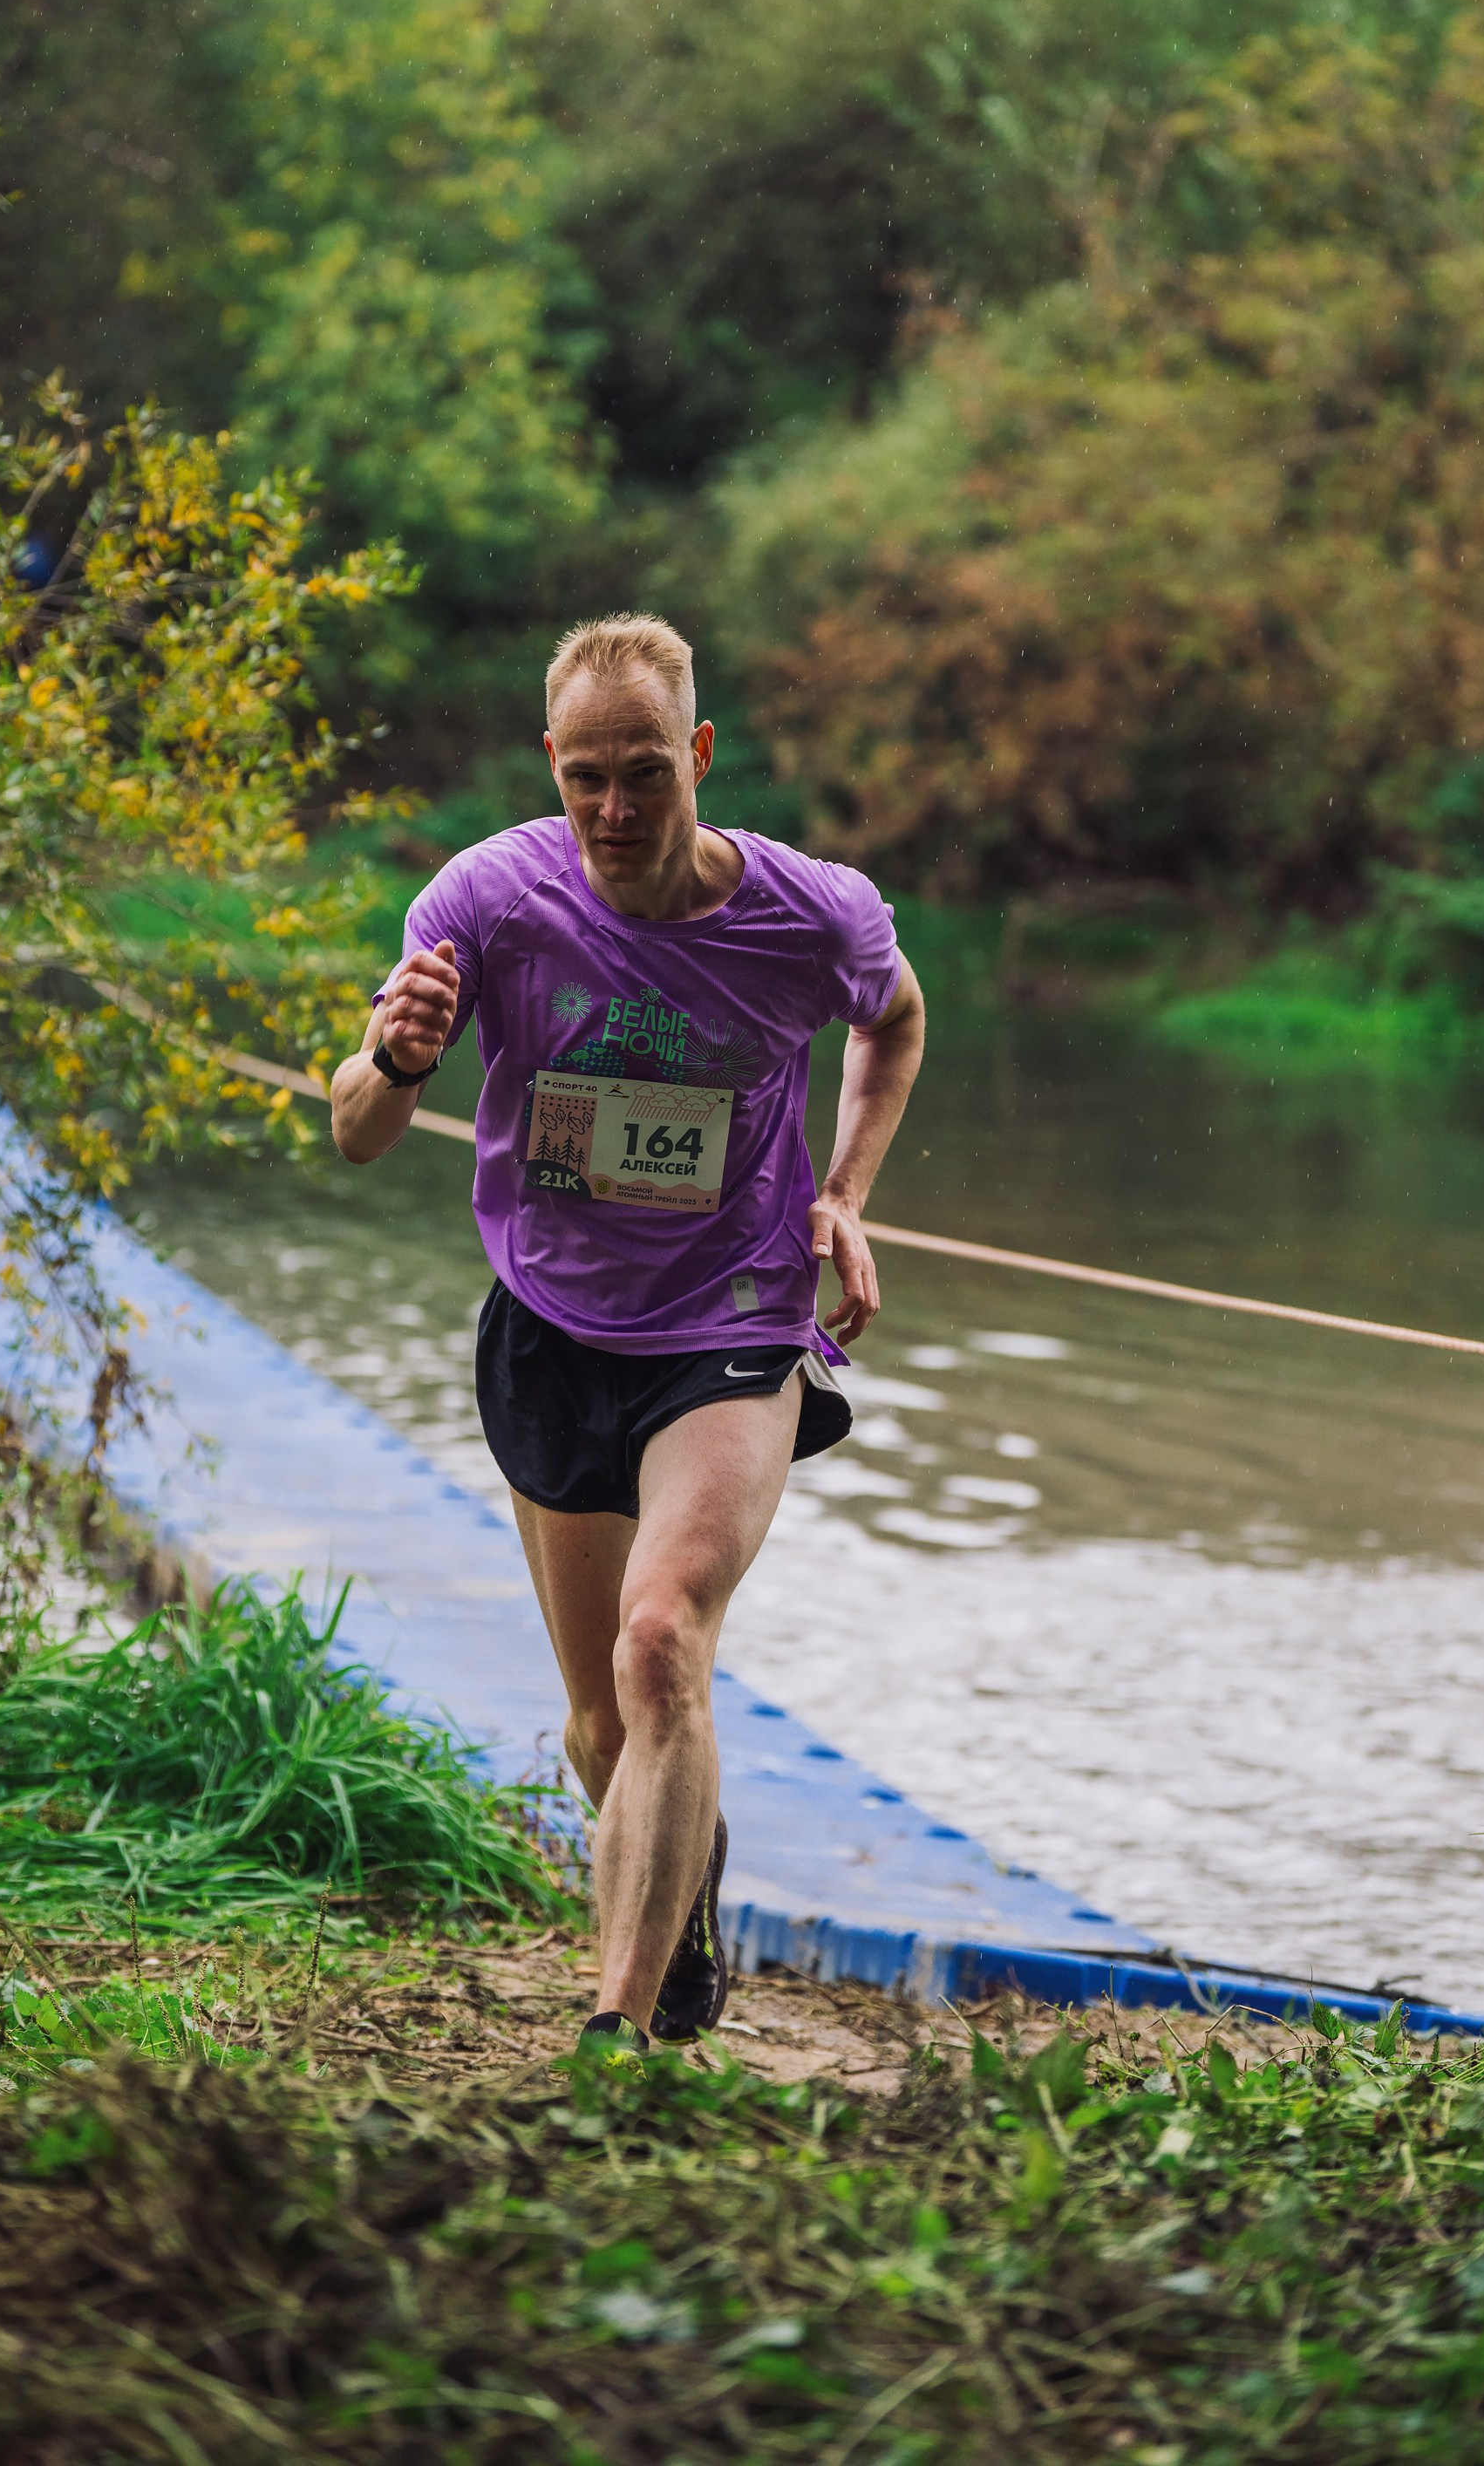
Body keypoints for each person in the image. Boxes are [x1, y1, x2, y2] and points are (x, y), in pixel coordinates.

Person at [330, 614, 924, 2055]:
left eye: (644, 773)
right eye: (585, 775)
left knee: (663, 1641)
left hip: (731, 1326)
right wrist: (399, 1055)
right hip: (552, 1326)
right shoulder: (487, 902)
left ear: (699, 755)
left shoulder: (811, 914)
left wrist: (844, 1192)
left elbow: (893, 1022)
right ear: (551, 761)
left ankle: (620, 2029)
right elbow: (356, 1133)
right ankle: (687, 1898)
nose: (611, 809)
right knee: (602, 1721)